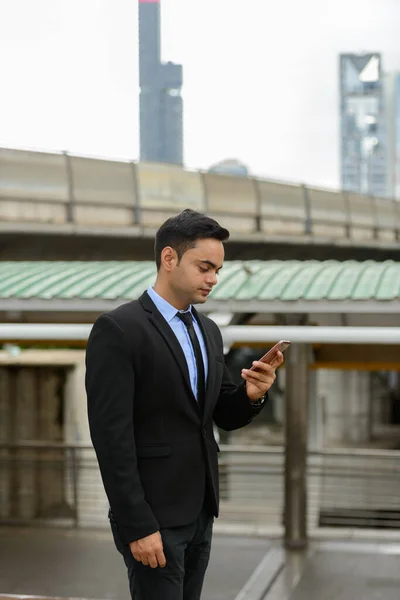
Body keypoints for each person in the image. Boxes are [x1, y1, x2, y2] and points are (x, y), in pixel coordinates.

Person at [85, 209, 284, 600]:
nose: (212, 279)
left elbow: (220, 414)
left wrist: (251, 395)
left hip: (200, 511)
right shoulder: (119, 329)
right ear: (169, 259)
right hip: (152, 518)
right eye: (204, 267)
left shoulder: (208, 330)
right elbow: (111, 440)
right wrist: (136, 525)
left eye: (218, 270)